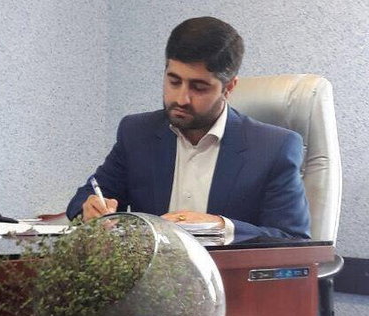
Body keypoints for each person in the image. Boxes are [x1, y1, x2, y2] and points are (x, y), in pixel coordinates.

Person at [66, 17, 311, 239]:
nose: (182, 98)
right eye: (174, 81)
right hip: (151, 272)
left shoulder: (273, 148)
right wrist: (91, 209)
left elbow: (293, 240)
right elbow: (86, 197)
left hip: (227, 273)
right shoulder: (137, 133)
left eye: (199, 87)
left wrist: (220, 226)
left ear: (228, 88)